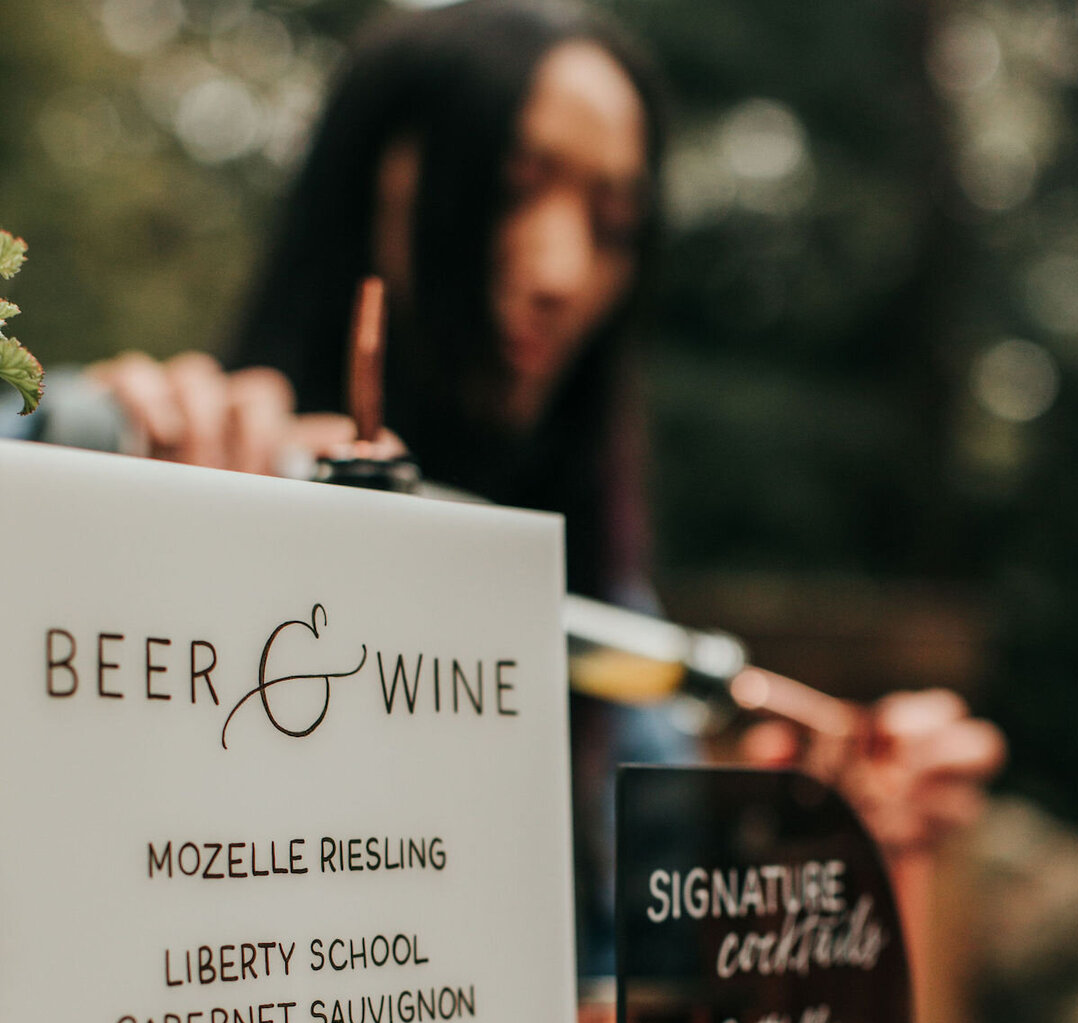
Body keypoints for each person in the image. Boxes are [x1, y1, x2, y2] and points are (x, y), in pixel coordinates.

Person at [8, 0, 1003, 966]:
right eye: (511, 187)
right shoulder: (139, 458)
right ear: (370, 183)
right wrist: (110, 492)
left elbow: (633, 994)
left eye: (614, 225)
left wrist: (805, 842)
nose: (564, 270)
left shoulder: (607, 636)